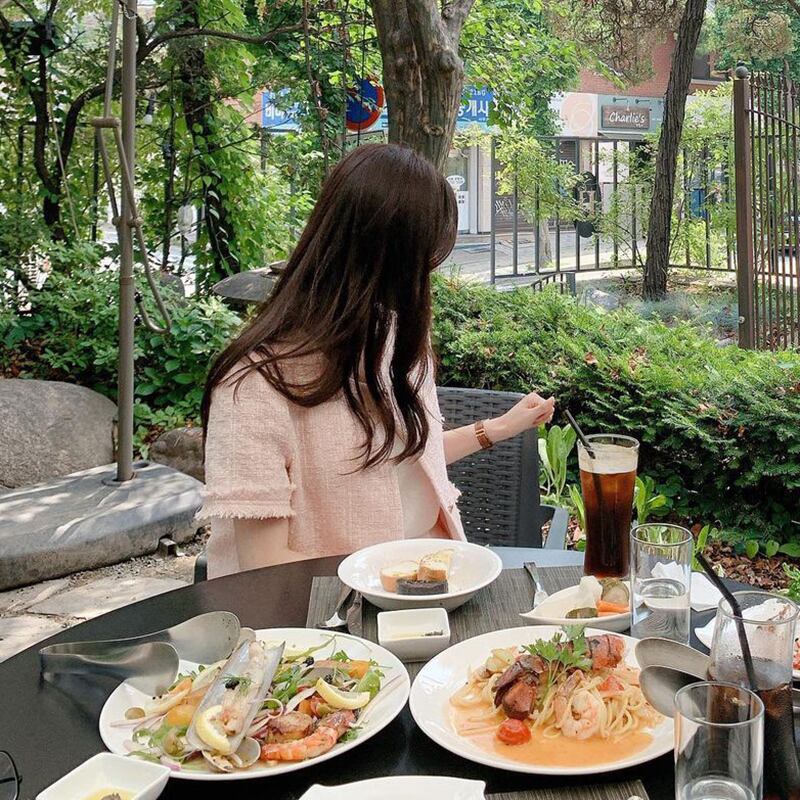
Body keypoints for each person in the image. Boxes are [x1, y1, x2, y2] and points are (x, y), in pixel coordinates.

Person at [199, 143, 555, 578]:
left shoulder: (396, 346)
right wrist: (397, 580)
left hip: (437, 585)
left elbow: (402, 461)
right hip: (328, 609)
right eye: (423, 268)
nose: (427, 285)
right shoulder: (254, 386)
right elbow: (264, 569)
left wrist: (499, 428)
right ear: (392, 267)